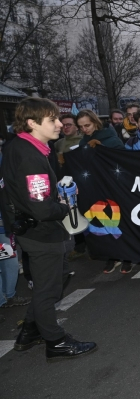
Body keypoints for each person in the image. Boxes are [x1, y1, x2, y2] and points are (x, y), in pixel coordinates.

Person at [0, 97, 96, 361]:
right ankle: (55, 341)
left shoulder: (22, 147)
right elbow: (42, 208)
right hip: (42, 232)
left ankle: (30, 331)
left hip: (34, 231)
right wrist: (65, 205)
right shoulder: (30, 157)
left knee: (50, 283)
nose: (59, 124)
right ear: (32, 123)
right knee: (49, 290)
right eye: (52, 119)